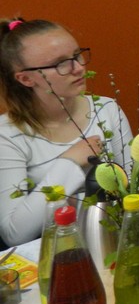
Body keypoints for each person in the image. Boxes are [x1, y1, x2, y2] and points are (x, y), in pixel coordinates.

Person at [0, 18, 132, 247]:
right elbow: (15, 233)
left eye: (77, 55)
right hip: (56, 254)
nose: (78, 67)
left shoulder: (106, 109)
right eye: (61, 63)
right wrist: (69, 163)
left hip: (114, 242)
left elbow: (134, 190)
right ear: (25, 78)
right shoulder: (8, 136)